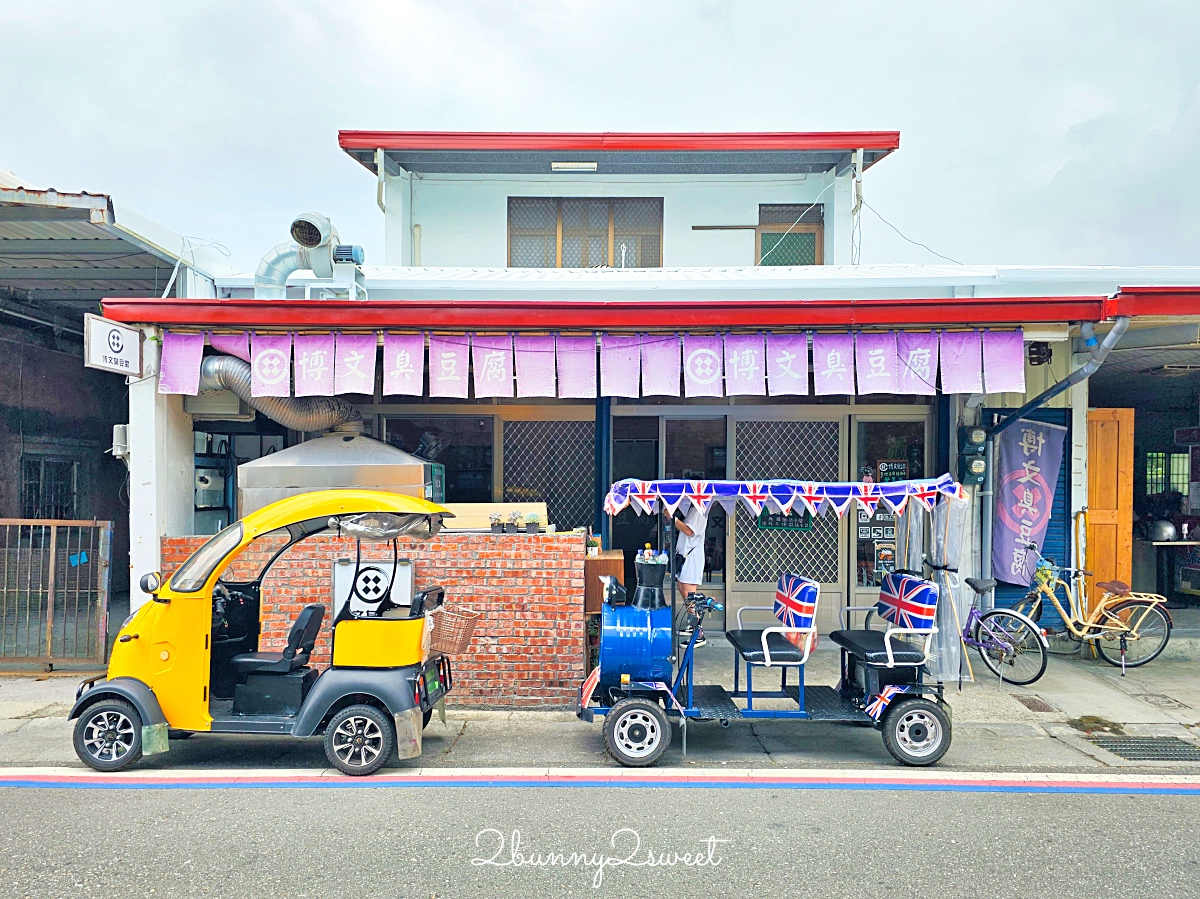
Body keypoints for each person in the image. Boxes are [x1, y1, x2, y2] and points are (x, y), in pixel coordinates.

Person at [668, 502, 709, 646]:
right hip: (687, 556)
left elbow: (690, 531)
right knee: (683, 588)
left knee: (690, 596)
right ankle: (693, 626)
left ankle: (699, 634)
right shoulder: (694, 509)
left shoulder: (699, 511)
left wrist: (673, 519)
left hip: (692, 558)